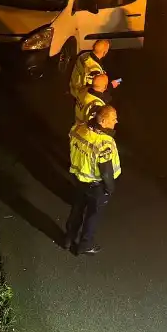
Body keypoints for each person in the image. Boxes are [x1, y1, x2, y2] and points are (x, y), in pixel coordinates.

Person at [65, 105, 121, 255]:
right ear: (102, 121)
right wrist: (109, 189)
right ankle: (84, 245)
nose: (116, 121)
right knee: (92, 216)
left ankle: (68, 238)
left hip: (79, 179)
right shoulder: (104, 143)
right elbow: (106, 172)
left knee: (76, 210)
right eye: (113, 118)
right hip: (96, 186)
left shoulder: (79, 128)